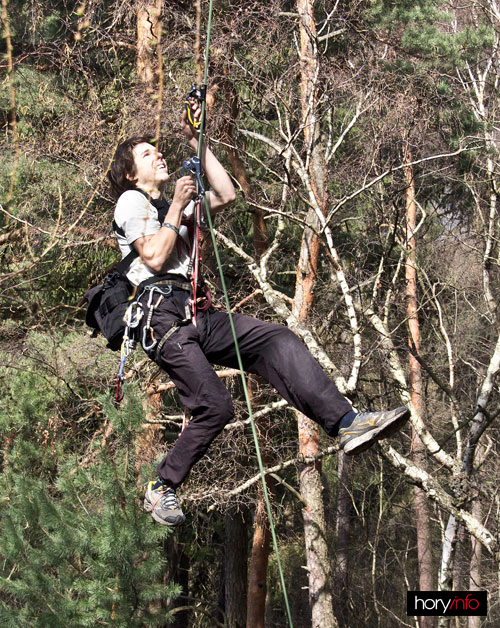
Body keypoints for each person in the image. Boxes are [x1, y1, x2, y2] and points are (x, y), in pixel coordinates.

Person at [108, 104, 410, 526]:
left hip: (198, 312)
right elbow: (156, 257)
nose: (158, 155)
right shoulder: (131, 201)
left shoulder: (179, 205)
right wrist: (177, 203)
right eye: (146, 154)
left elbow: (227, 194)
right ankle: (162, 486)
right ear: (130, 174)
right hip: (162, 318)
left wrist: (198, 140)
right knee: (215, 405)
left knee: (278, 340)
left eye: (158, 150)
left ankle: (345, 423)